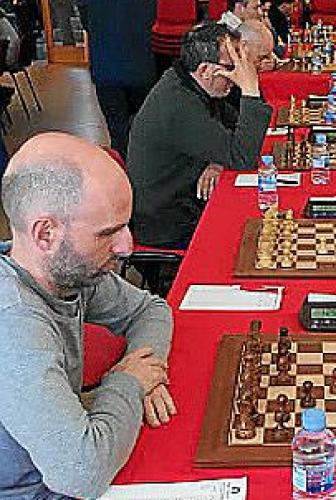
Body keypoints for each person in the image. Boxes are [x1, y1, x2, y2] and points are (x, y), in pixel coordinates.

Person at [0, 132, 174, 499]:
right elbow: (82, 474)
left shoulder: (66, 269)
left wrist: (146, 371)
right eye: (108, 233)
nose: (127, 247)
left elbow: (150, 309)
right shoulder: (14, 323)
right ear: (45, 233)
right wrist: (128, 383)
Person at [127, 21, 272, 249]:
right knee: (257, 237)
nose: (238, 74)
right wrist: (250, 89)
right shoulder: (179, 104)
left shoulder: (189, 81)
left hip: (188, 199)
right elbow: (243, 158)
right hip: (168, 222)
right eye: (233, 66)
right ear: (205, 70)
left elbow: (235, 126)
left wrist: (216, 160)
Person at [75, 0, 157, 159]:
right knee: (144, 128)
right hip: (141, 63)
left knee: (117, 130)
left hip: (106, 65)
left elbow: (85, 19)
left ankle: (122, 168)